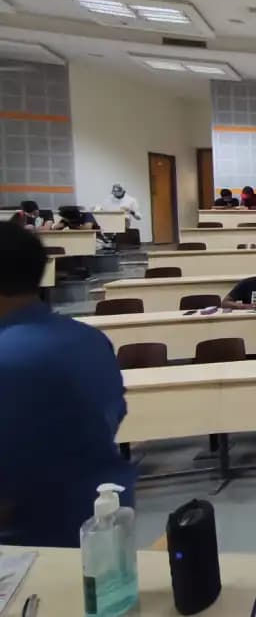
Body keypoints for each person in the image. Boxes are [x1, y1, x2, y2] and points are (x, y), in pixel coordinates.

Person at [0, 223, 134, 546]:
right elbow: (113, 415)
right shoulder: (91, 339)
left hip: (26, 547)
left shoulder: (7, 357)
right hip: (101, 528)